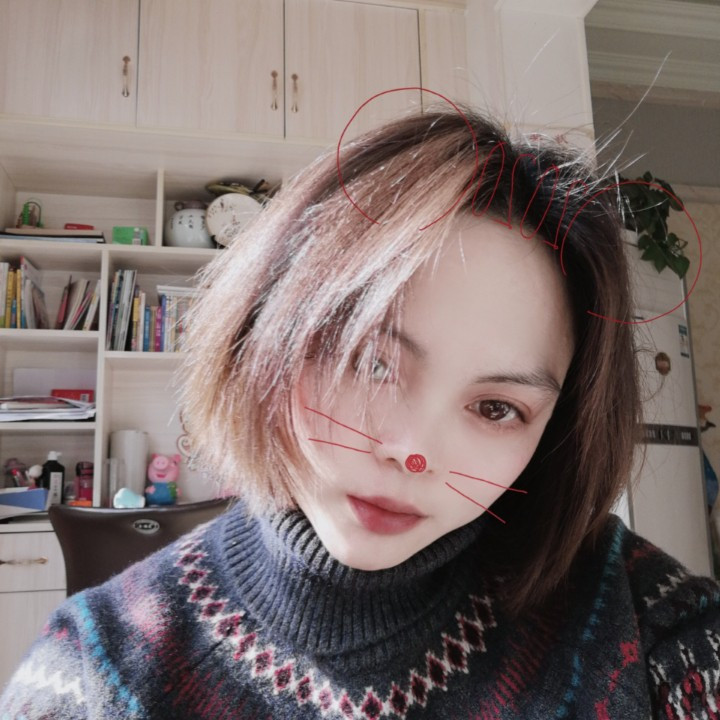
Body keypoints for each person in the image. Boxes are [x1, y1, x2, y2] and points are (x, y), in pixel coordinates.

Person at [1, 108, 719, 720]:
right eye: (371, 362)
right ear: (267, 325)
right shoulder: (96, 669)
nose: (412, 451)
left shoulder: (646, 619)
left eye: (497, 407)